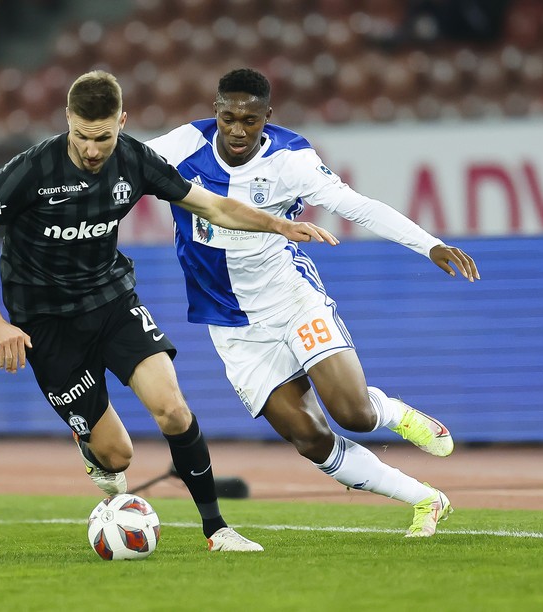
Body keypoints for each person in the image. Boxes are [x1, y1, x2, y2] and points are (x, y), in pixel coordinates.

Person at [0, 70, 336, 552]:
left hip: (110, 299)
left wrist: (276, 224)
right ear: (67, 120)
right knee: (118, 455)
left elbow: (212, 206)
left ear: (122, 122)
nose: (92, 149)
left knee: (172, 408)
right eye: (83, 136)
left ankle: (217, 529)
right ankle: (92, 448)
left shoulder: (133, 159)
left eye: (104, 137)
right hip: (45, 323)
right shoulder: (32, 169)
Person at [146, 68, 480, 538]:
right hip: (230, 323)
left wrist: (429, 245)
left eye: (250, 119)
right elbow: (116, 164)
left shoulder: (291, 159)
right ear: (215, 111)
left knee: (354, 415)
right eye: (228, 117)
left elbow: (357, 206)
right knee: (310, 438)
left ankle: (391, 412)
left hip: (290, 297)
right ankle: (426, 499)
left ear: (267, 118)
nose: (238, 129)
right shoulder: (181, 146)